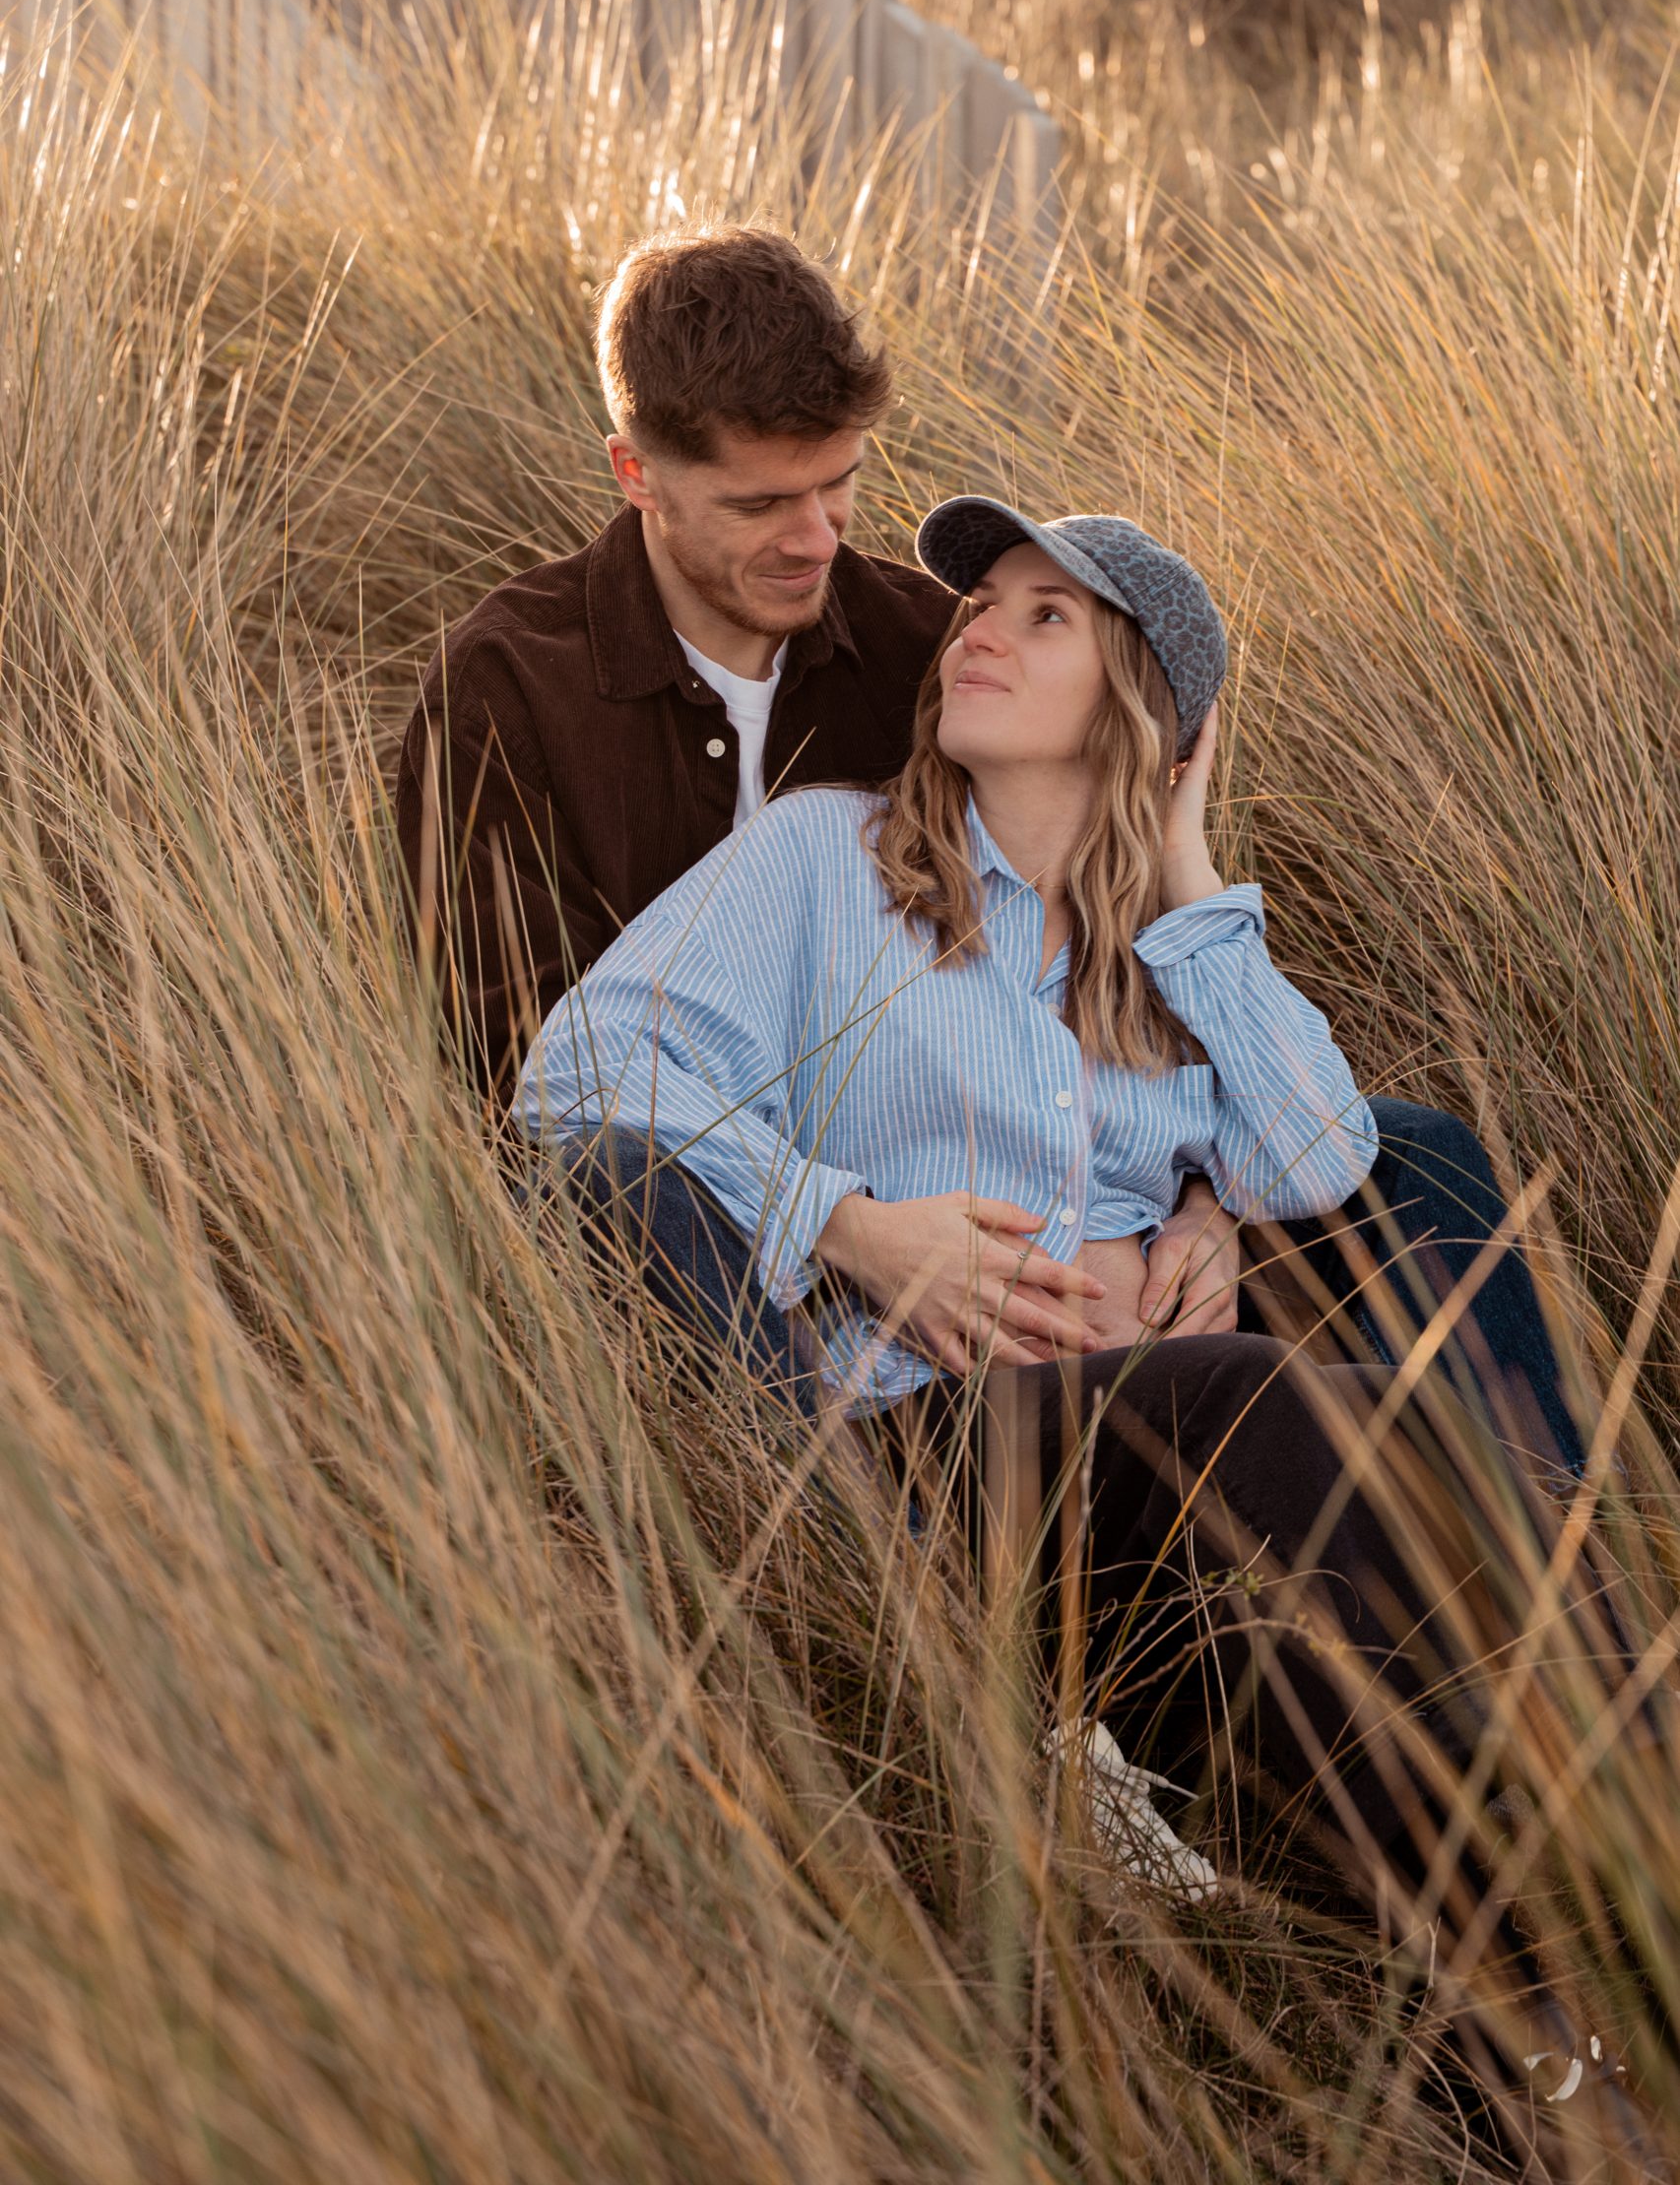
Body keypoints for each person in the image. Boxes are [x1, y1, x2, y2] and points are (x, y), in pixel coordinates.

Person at [512, 504, 1647, 2150]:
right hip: (918, 1451)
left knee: (1386, 1350)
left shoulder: (1165, 954)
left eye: (1047, 617)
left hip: (1137, 1469)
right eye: (983, 601)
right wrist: (852, 1222)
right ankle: (1603, 1864)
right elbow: (580, 1078)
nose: (977, 625)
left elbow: (1317, 1162)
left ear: (1144, 713)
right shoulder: (826, 862)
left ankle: (1517, 2035)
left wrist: (1187, 896)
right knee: (1278, 1400)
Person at [395, 224, 1589, 1479]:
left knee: (1408, 1159)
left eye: (837, 483)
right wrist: (852, 1225)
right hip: (718, 1218)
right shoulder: (508, 688)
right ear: (636, 474)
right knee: (617, 1171)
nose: (815, 537)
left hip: (1007, 1190)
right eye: (758, 503)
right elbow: (522, 1074)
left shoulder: (929, 641)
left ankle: (1561, 1535)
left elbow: (1100, 891)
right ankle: (837, 1537)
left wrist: (1204, 1202)